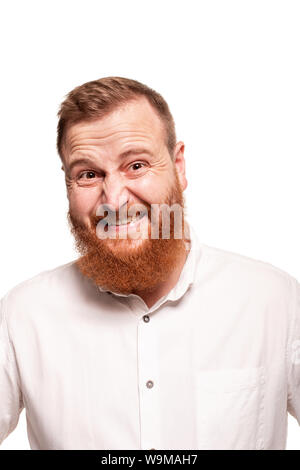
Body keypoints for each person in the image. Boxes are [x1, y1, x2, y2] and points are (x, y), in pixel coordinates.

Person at [0, 77, 299, 451]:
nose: (114, 199)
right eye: (88, 174)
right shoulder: (21, 315)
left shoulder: (277, 301)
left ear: (178, 166)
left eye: (136, 165)